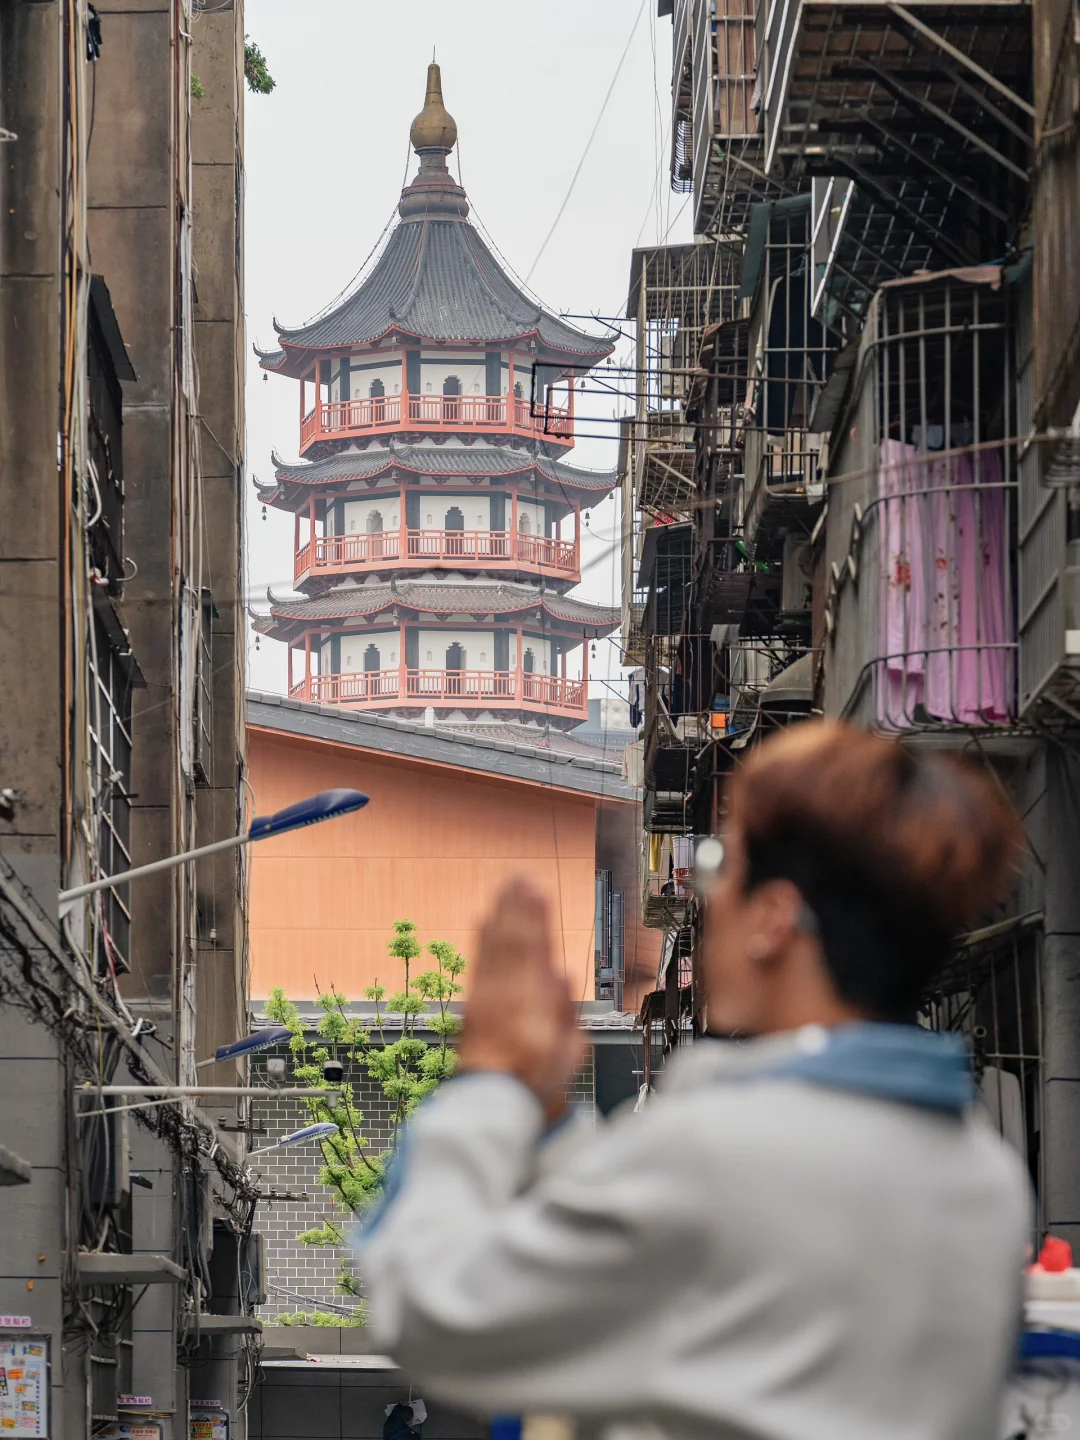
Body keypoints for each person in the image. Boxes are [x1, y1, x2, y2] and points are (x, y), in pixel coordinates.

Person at [357, 721, 1031, 1440]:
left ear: (774, 919)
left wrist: (488, 1087)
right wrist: (549, 1116)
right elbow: (671, 1247)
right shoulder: (983, 1179)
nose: (710, 903)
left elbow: (434, 1311)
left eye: (718, 866)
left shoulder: (726, 1153)